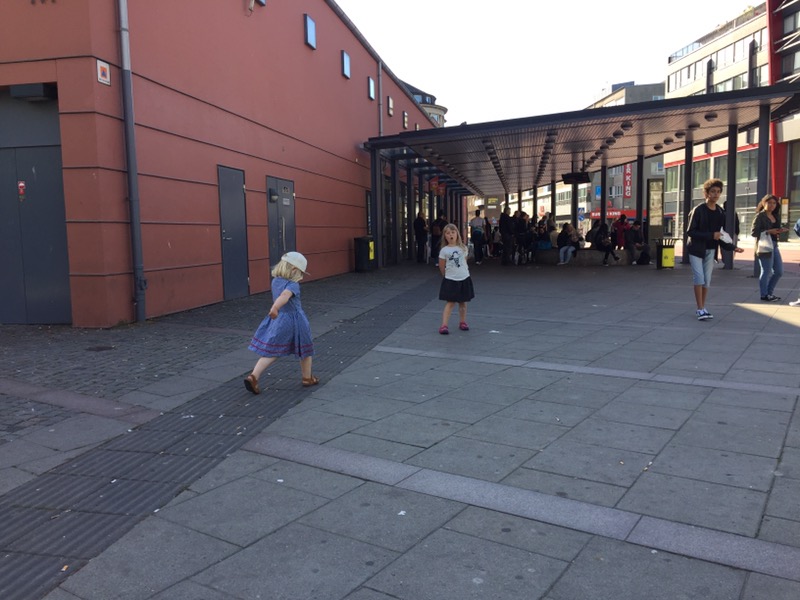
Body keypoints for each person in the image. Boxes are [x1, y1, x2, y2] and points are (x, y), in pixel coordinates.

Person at [244, 251, 317, 394]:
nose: (301, 276)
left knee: (272, 351)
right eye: (300, 272)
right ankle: (307, 378)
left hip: (279, 320)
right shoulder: (293, 285)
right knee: (305, 349)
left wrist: (276, 309)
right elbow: (285, 295)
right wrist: (275, 307)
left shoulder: (275, 281)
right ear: (294, 270)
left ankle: (253, 376)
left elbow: (281, 295)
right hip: (296, 321)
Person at [686, 178, 744, 321]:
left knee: (707, 281)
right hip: (696, 249)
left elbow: (720, 235)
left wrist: (733, 247)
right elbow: (690, 232)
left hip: (711, 250)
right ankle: (700, 309)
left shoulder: (720, 212)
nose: (716, 194)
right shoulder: (698, 210)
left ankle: (703, 307)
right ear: (706, 193)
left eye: (718, 192)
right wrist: (711, 235)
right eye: (713, 191)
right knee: (699, 278)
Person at [438, 223, 475, 334]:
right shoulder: (444, 250)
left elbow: (464, 261)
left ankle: (462, 322)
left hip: (464, 278)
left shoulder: (463, 248)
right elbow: (441, 265)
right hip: (451, 279)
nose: (451, 235)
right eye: (448, 233)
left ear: (457, 234)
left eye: (453, 232)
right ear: (445, 236)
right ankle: (444, 325)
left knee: (463, 302)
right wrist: (445, 275)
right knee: (450, 302)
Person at [750, 194, 788, 301]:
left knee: (779, 271)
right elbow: (754, 232)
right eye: (769, 203)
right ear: (763, 203)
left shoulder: (775, 215)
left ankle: (769, 293)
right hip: (764, 246)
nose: (772, 205)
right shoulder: (760, 216)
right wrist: (769, 231)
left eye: (774, 203)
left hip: (774, 245)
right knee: (766, 271)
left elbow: (776, 229)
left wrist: (780, 230)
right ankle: (764, 294)